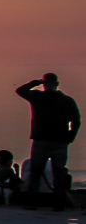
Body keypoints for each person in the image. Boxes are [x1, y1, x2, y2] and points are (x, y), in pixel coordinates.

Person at [16, 73, 80, 211]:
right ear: (57, 84)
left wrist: (35, 82)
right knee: (59, 173)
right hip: (60, 141)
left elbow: (20, 90)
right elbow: (76, 121)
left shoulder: (38, 97)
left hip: (41, 140)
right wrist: (70, 138)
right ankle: (58, 203)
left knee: (36, 172)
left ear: (44, 84)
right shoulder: (68, 100)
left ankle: (32, 201)